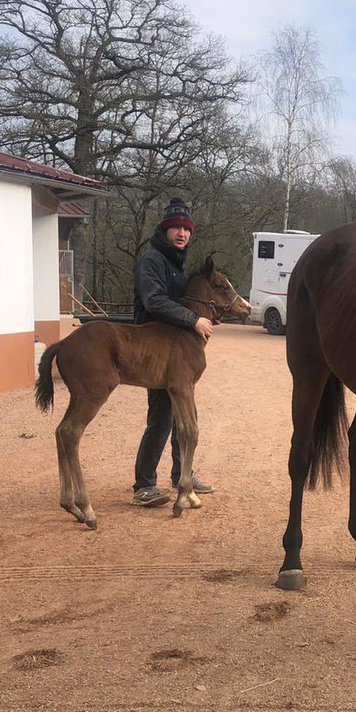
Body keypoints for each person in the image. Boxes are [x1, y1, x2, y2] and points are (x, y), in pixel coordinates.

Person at [131, 196, 216, 508]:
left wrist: (204, 315)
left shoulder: (177, 264)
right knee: (162, 418)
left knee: (186, 413)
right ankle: (144, 484)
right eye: (176, 228)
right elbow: (153, 301)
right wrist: (193, 319)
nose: (182, 233)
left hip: (175, 348)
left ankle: (184, 474)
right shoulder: (151, 260)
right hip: (153, 348)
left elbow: (186, 303)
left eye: (186, 229)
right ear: (165, 230)